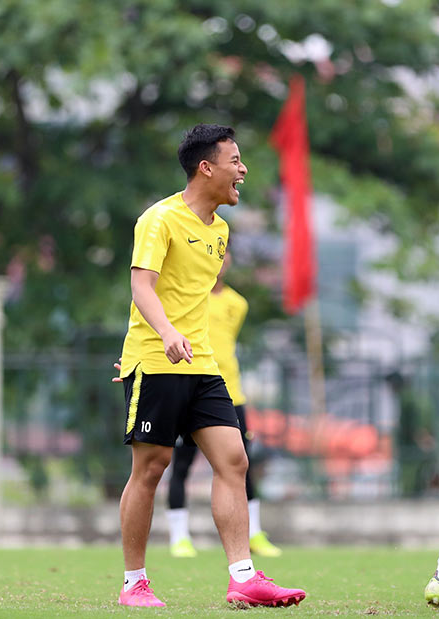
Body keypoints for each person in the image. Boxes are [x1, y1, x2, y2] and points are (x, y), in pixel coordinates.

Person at [115, 124, 305, 608]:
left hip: (202, 365)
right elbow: (142, 286)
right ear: (206, 167)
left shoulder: (220, 231)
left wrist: (184, 338)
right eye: (235, 161)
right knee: (152, 468)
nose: (243, 170)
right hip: (157, 362)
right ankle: (133, 583)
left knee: (235, 460)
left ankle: (243, 578)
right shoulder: (159, 219)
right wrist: (163, 335)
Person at [166, 250, 282, 559]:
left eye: (224, 256)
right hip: (190, 388)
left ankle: (254, 533)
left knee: (241, 463)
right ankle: (179, 536)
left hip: (230, 392)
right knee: (180, 464)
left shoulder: (237, 304)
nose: (220, 262)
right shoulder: (189, 296)